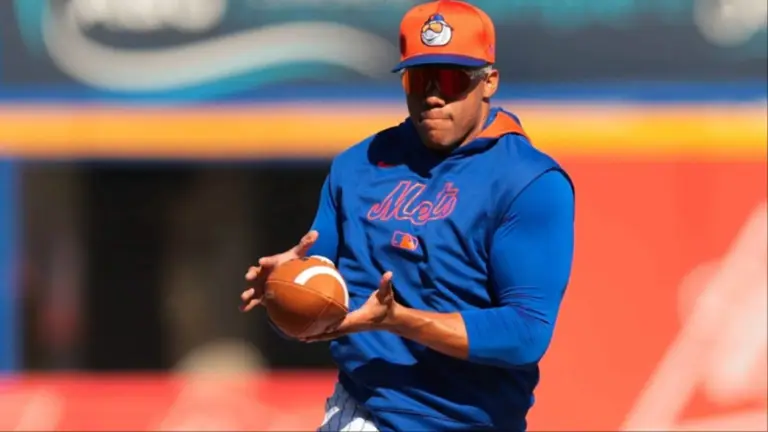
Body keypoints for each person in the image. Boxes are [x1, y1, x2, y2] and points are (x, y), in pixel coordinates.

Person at [240, 0, 575, 430]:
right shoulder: (359, 165)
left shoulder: (528, 181)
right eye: (419, 79)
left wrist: (399, 321)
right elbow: (319, 304)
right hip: (365, 410)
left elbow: (526, 333)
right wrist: (285, 290)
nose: (433, 95)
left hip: (475, 420)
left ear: (489, 81)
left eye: (452, 79)